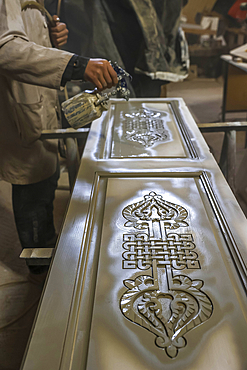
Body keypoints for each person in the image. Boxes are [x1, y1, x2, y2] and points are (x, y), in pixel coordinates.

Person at [0, 0, 118, 277]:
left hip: (38, 100)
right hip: (21, 104)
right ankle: (40, 267)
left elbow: (23, 37)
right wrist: (76, 65)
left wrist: (50, 36)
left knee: (47, 172)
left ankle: (48, 246)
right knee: (32, 181)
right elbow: (6, 48)